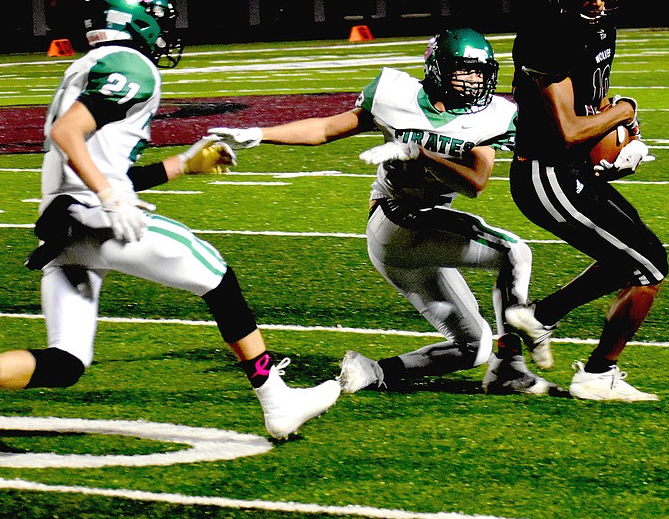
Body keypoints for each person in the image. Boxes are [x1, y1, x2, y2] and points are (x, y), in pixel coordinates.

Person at [0, 0, 340, 447]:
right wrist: (111, 197)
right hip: (99, 217)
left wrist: (182, 165)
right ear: (139, 20)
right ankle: (278, 402)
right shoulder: (132, 65)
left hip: (64, 225)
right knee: (219, 277)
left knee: (67, 361)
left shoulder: (90, 64)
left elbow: (97, 162)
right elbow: (70, 135)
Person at [208, 28, 555, 396]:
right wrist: (261, 134)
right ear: (437, 69)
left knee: (473, 347)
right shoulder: (395, 95)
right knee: (514, 251)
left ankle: (372, 371)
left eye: (481, 72)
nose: (474, 81)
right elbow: (326, 128)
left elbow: (474, 182)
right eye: (464, 70)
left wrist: (418, 153)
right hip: (394, 219)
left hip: (423, 236)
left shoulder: (493, 116)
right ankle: (511, 366)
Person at [506, 0, 668, 401]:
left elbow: (592, 107)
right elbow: (568, 131)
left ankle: (540, 317)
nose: (598, 1)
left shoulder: (598, 26)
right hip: (545, 174)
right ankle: (595, 374)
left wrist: (618, 147)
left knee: (633, 254)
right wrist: (626, 111)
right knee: (649, 264)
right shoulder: (544, 32)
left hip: (572, 170)